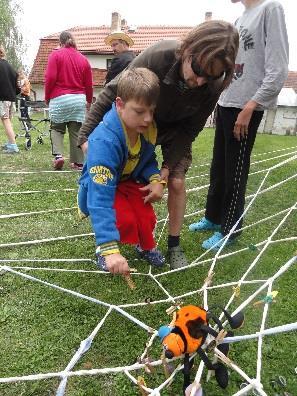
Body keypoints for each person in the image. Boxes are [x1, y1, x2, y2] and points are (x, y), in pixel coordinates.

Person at [77, 20, 239, 269]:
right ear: (189, 50)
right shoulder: (160, 55)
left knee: (175, 181)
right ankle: (110, 242)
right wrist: (85, 137)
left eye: (211, 75)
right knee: (119, 182)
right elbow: (113, 91)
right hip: (143, 122)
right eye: (198, 68)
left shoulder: (212, 86)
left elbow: (189, 130)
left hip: (175, 131)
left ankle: (173, 244)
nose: (199, 80)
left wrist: (163, 172)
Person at [189, 0, 289, 250]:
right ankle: (213, 218)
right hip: (227, 102)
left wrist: (251, 106)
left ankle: (231, 230)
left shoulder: (270, 9)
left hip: (246, 107)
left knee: (235, 171)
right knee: (219, 167)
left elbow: (278, 68)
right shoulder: (240, 18)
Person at [78, 68, 166, 274]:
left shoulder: (144, 129)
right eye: (139, 111)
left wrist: (156, 180)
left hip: (126, 181)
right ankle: (104, 249)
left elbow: (147, 159)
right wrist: (111, 250)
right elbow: (100, 198)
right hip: (101, 186)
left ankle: (144, 245)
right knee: (123, 218)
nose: (147, 118)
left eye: (151, 111)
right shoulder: (103, 142)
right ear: (119, 104)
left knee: (145, 215)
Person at [45, 31, 93, 171]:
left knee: (56, 129)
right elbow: (89, 84)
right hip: (78, 99)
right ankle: (78, 163)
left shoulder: (55, 54)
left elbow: (50, 78)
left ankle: (59, 156)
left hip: (59, 98)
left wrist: (47, 96)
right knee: (76, 131)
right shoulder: (83, 59)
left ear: (60, 42)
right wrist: (89, 100)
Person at [0, 45, 20, 154]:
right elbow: (16, 84)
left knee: (6, 120)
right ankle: (10, 142)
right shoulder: (9, 66)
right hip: (11, 98)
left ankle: (13, 146)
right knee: (8, 120)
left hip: (2, 98)